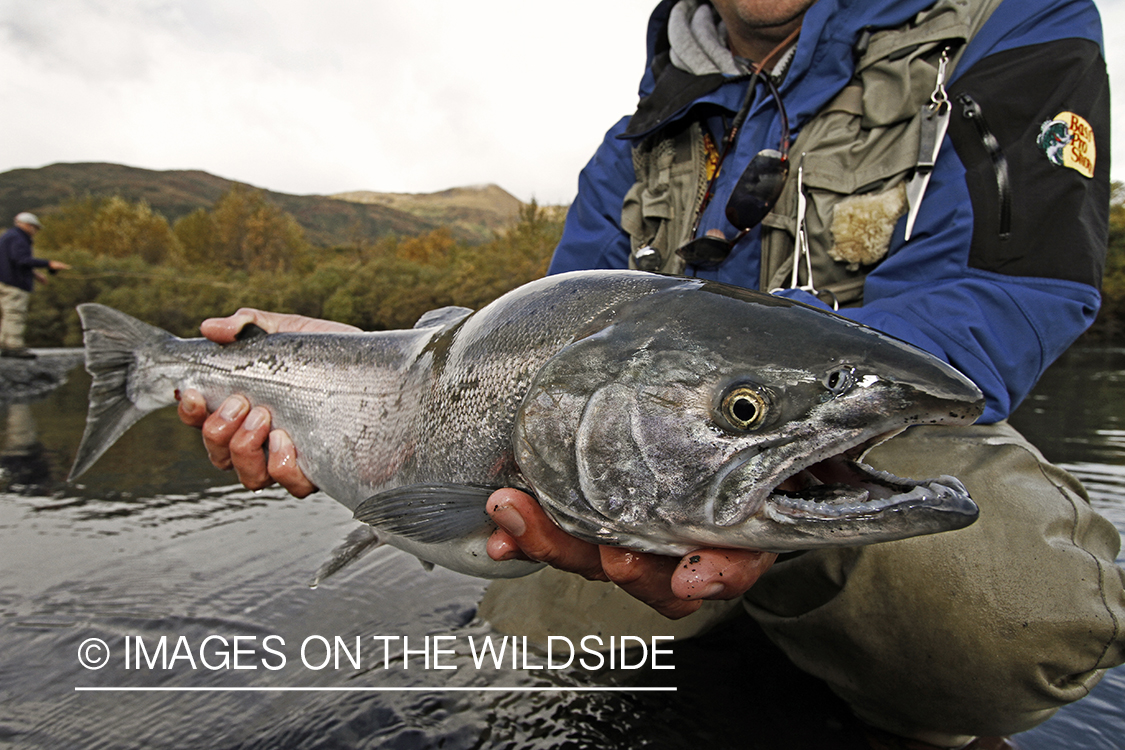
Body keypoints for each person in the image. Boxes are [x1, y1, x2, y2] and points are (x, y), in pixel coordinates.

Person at [178, 0, 1125, 746]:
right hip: (627, 474)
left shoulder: (1014, 22)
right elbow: (524, 355)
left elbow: (1020, 287)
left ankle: (903, 712)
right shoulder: (635, 137)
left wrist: (761, 389)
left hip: (868, 438)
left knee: (1020, 620)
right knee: (528, 670)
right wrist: (348, 376)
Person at [0, 212, 71, 358]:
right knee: (15, 314)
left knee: (7, 314)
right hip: (15, 283)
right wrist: (49, 263)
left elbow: (14, 261)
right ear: (27, 225)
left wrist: (35, 274)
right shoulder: (18, 238)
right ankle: (13, 347)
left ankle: (5, 345)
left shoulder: (8, 236)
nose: (35, 231)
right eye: (35, 228)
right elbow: (21, 260)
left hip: (5, 281)